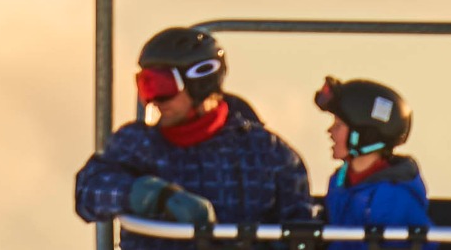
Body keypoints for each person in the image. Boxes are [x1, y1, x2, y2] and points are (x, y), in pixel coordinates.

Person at [75, 27, 315, 234]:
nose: (153, 101)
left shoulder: (266, 155)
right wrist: (153, 196)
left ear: (200, 83)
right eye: (146, 87)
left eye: (162, 86)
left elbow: (299, 230)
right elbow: (89, 191)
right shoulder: (138, 145)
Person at [316, 76, 432, 229]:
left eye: (339, 125)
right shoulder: (339, 184)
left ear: (365, 134)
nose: (330, 131)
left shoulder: (391, 198)